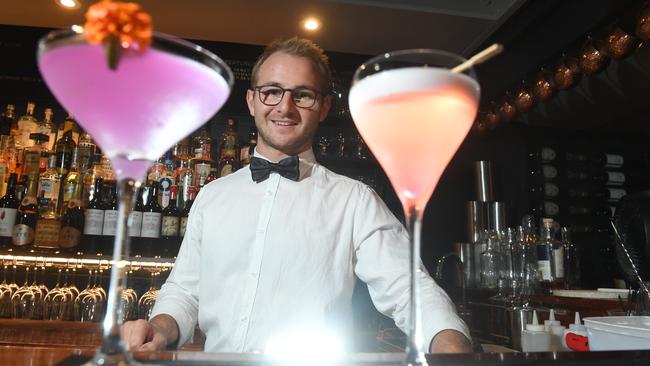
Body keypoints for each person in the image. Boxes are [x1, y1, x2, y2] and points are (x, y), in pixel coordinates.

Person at [121, 36, 472, 354]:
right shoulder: (212, 196)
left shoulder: (355, 200)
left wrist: (450, 343)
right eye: (271, 91)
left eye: (302, 94)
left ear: (323, 107)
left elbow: (409, 289)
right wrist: (159, 329)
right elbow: (184, 291)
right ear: (252, 101)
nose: (284, 107)